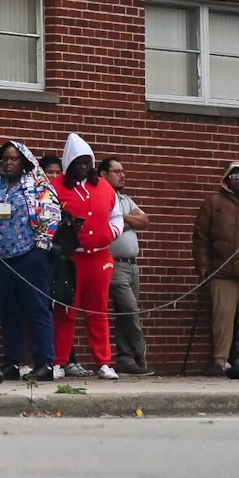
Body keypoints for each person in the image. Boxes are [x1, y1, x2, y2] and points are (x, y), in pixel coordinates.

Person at [0, 141, 57, 380]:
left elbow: (50, 213)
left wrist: (41, 247)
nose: (9, 162)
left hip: (30, 254)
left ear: (24, 160)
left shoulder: (37, 185)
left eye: (14, 158)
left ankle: (44, 362)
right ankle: (11, 362)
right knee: (9, 311)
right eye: (5, 158)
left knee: (37, 308)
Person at [52, 133, 121, 380]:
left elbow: (117, 216)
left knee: (98, 311)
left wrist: (111, 233)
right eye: (79, 163)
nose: (84, 168)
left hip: (100, 259)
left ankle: (104, 362)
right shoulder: (56, 188)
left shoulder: (104, 187)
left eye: (87, 162)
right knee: (66, 312)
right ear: (69, 164)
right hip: (72, 260)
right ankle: (59, 361)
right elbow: (49, 220)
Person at [193, 161, 239, 375]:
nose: (238, 178)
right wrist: (202, 266)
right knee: (222, 316)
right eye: (234, 174)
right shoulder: (213, 202)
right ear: (227, 179)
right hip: (222, 272)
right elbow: (201, 237)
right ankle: (220, 361)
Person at [100, 155, 151, 374]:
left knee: (124, 313)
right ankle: (140, 352)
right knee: (130, 310)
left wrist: (122, 219)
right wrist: (126, 220)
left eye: (123, 172)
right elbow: (105, 224)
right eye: (117, 171)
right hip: (115, 264)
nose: (122, 175)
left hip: (133, 265)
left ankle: (126, 358)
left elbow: (145, 220)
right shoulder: (102, 197)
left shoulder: (125, 199)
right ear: (103, 174)